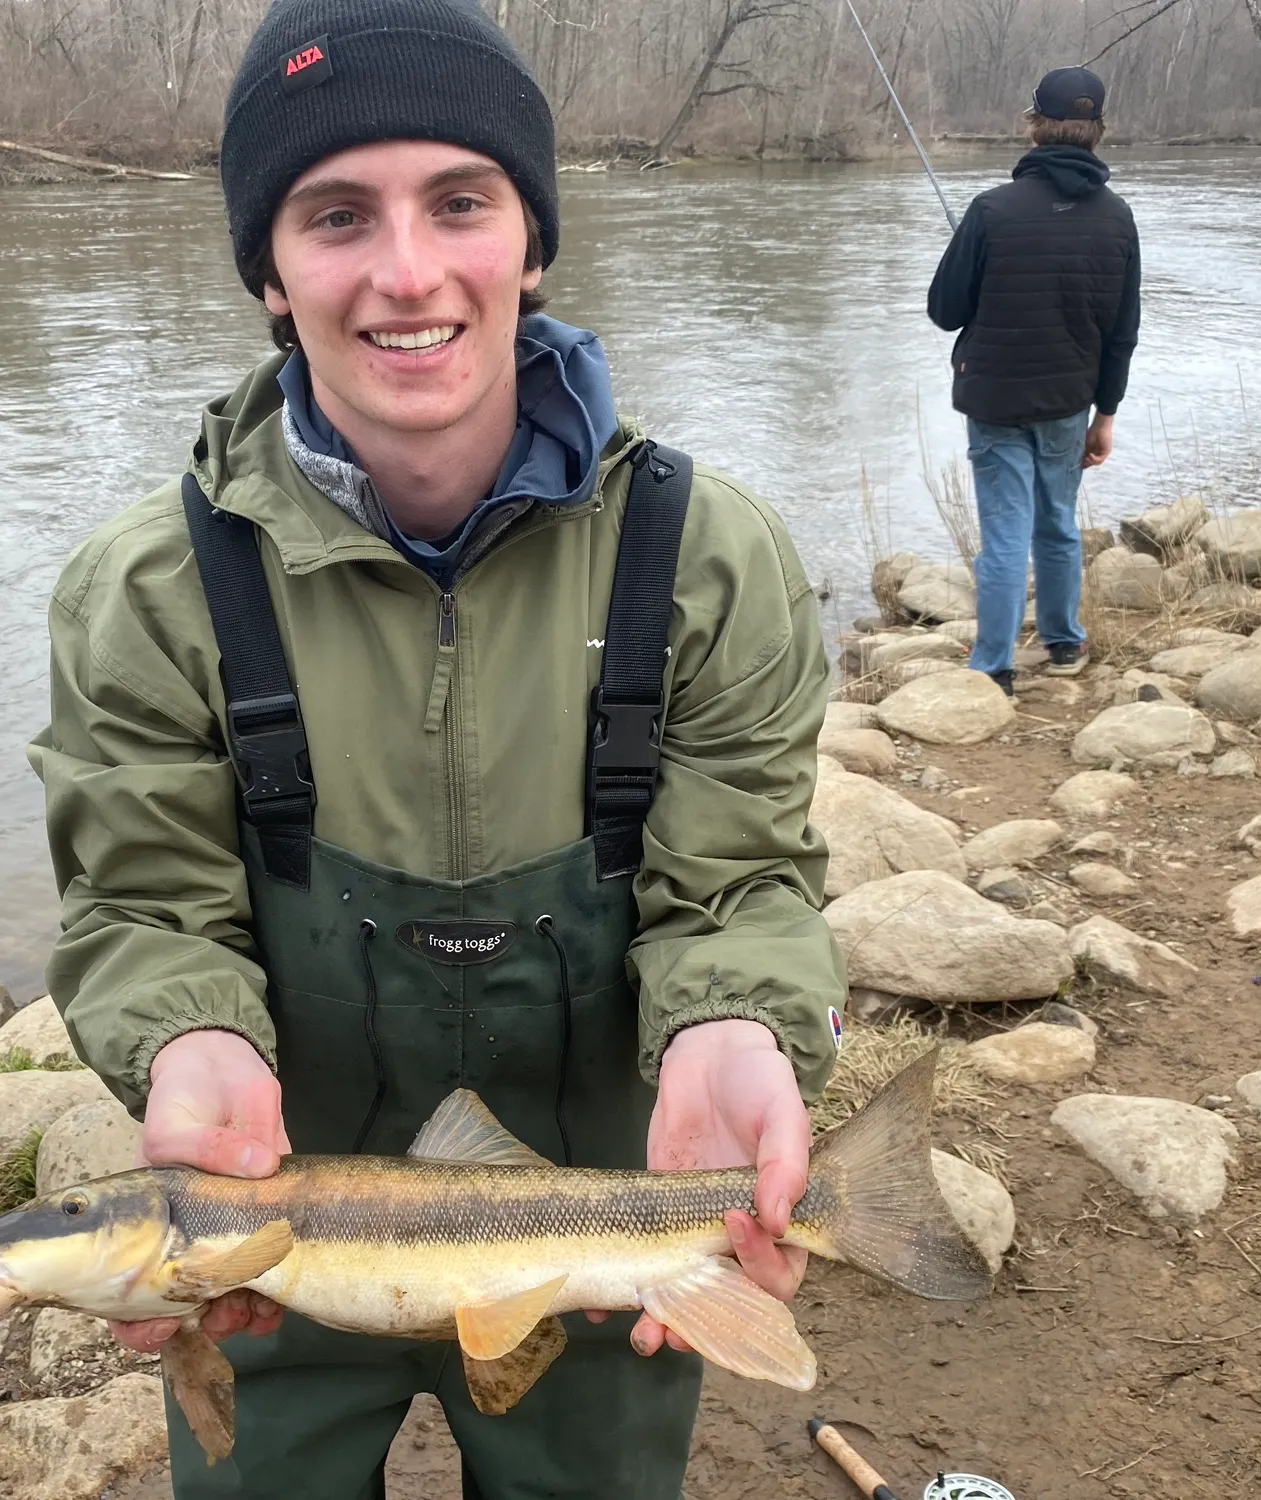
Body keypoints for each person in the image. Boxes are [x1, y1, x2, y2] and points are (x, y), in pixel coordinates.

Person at [26, 1, 847, 1495]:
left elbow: (741, 882)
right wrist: (184, 1038)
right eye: (337, 215)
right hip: (270, 1240)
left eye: (459, 202)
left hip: (605, 1217)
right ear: (268, 274)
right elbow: (143, 906)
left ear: (530, 241)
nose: (408, 273)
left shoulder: (711, 556)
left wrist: (737, 1025)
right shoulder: (146, 588)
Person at [927, 65, 1141, 696]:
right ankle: (1064, 643)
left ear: (1035, 127)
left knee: (1005, 535)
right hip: (1070, 399)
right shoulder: (1118, 216)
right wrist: (1107, 412)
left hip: (996, 399)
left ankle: (993, 667)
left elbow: (945, 311)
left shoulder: (992, 209)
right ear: (1097, 131)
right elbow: (1122, 330)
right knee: (1056, 522)